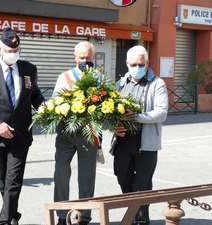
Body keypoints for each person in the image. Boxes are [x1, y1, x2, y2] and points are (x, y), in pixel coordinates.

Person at [0, 27, 45, 225]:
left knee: (14, 180)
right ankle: (13, 214)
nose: (13, 54)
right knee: (3, 181)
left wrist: (42, 104)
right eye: (9, 51)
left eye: (16, 51)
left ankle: (3, 221)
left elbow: (35, 94)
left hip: (21, 133)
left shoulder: (29, 69)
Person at [111, 45, 168, 225]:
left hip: (146, 142)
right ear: (127, 63)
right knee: (123, 178)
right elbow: (109, 113)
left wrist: (136, 117)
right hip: (123, 141)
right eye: (134, 64)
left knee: (142, 185)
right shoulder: (119, 84)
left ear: (148, 63)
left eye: (141, 64)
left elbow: (162, 113)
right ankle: (133, 214)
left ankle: (141, 221)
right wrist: (113, 126)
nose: (137, 67)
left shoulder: (157, 83)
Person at [52, 41, 98, 225]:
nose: (85, 60)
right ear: (75, 57)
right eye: (81, 57)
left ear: (93, 57)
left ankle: (84, 217)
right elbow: (54, 102)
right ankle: (62, 216)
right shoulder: (64, 77)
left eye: (88, 57)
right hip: (65, 134)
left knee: (86, 176)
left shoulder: (99, 78)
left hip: (88, 133)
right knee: (61, 172)